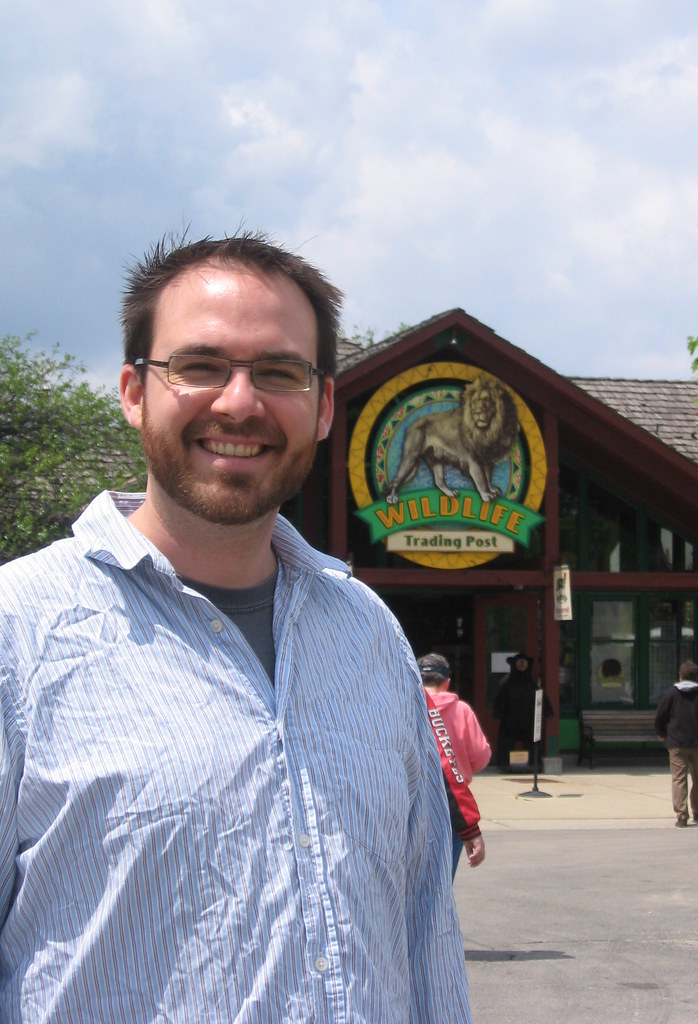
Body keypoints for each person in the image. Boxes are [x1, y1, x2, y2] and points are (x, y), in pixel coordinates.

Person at [0, 232, 472, 1022]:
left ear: (323, 407)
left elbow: (425, 926)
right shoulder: (18, 631)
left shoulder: (370, 634)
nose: (240, 402)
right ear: (133, 391)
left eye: (280, 373)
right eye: (200, 365)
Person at [418, 652, 490, 876]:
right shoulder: (462, 711)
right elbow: (480, 757)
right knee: (442, 879)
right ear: (447, 682)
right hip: (453, 804)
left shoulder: (408, 707)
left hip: (413, 801)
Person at [654, 660, 698, 827]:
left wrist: (662, 733)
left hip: (677, 743)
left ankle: (681, 815)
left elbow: (660, 716)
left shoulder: (672, 694)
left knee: (679, 778)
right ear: (696, 677)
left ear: (680, 676)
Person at [493, 652, 552, 769]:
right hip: (510, 721)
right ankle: (504, 764)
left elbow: (541, 698)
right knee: (506, 741)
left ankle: (532, 764)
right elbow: (500, 700)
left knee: (532, 741)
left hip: (528, 721)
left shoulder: (532, 685)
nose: (521, 665)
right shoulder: (507, 685)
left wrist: (547, 710)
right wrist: (498, 712)